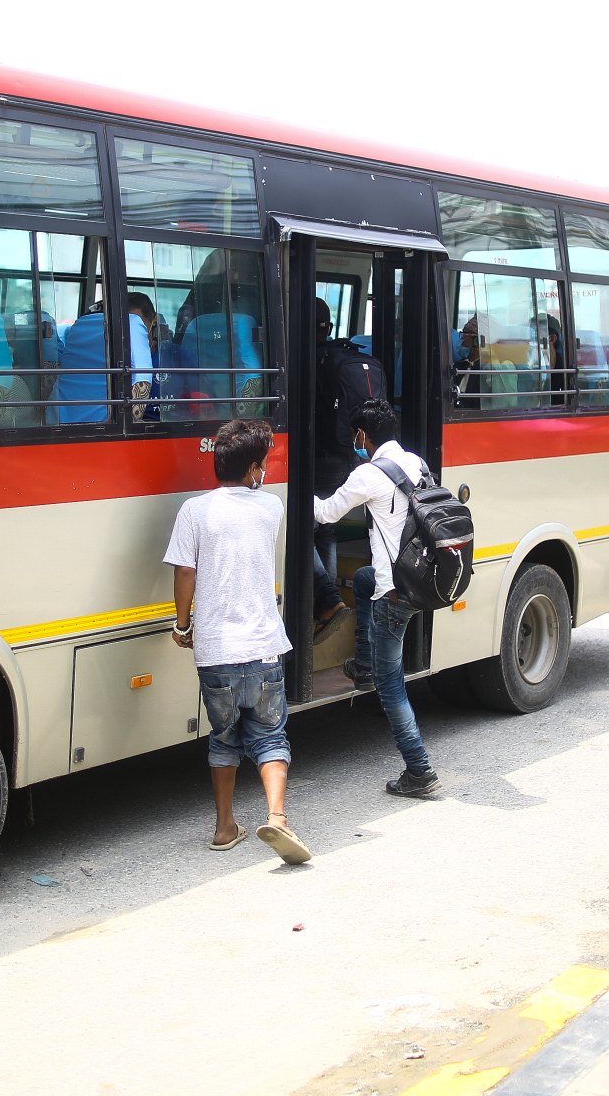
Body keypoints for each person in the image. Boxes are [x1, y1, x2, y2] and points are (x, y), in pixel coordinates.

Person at [163, 419, 310, 865]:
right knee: (269, 737)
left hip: (216, 652)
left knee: (224, 739)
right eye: (262, 465)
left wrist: (183, 624)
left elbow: (185, 571)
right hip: (264, 645)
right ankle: (278, 818)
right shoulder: (271, 508)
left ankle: (225, 827)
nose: (264, 472)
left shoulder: (194, 510)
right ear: (251, 470)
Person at [313, 396, 442, 797]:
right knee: (365, 579)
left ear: (361, 435)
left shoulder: (368, 474)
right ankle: (364, 663)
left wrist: (292, 488)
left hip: (395, 594)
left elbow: (324, 514)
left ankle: (419, 770)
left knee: (391, 686)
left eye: (354, 435)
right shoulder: (415, 462)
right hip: (419, 577)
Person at [310, 298, 357, 644]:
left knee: (301, 529)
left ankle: (328, 599)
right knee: (324, 530)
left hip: (319, 458)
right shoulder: (339, 357)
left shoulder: (306, 360)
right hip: (345, 457)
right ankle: (324, 607)